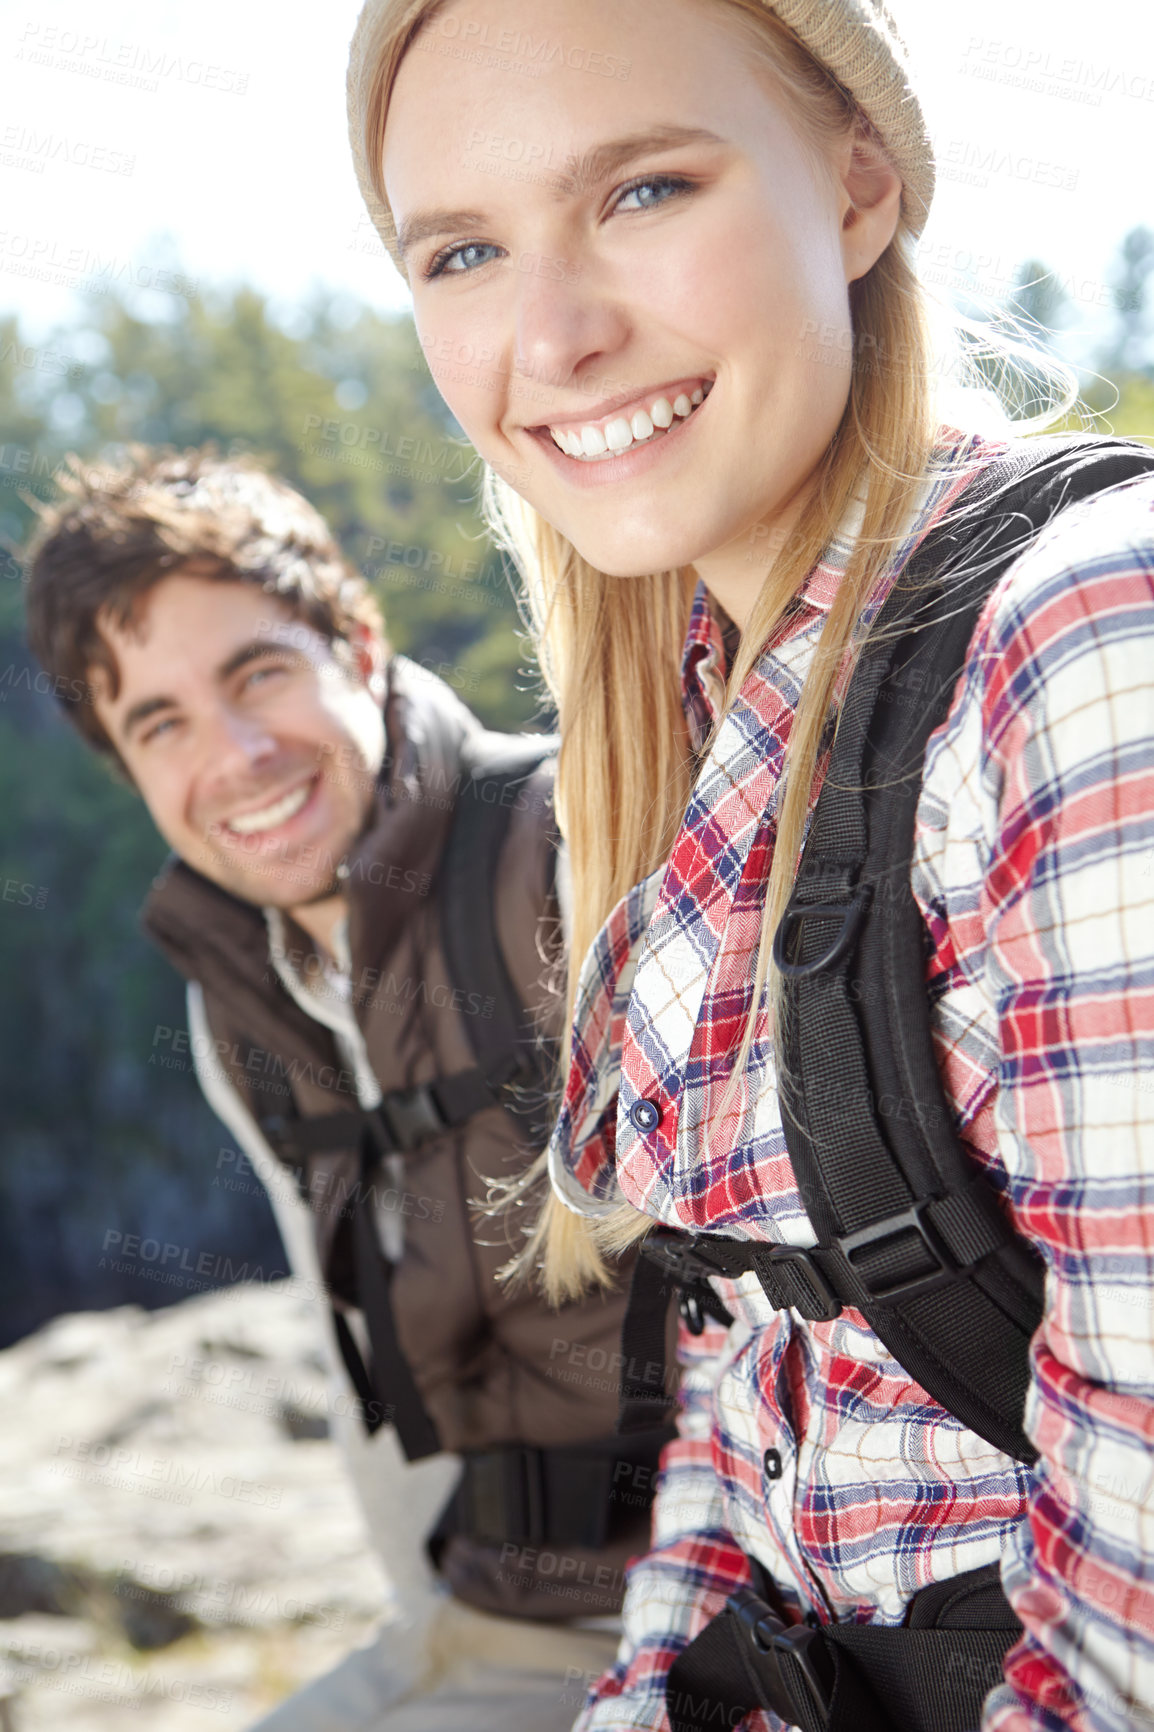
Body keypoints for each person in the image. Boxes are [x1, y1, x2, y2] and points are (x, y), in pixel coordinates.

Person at [346, 1, 1154, 1729]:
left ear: (857, 186)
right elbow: (767, 1370)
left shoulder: (1081, 635)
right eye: (464, 250)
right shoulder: (703, 731)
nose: (549, 334)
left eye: (639, 192)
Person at [23, 448, 672, 1732]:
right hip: (477, 1621)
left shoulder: (580, 845)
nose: (240, 755)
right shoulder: (241, 1004)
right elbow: (353, 1354)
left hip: (711, 1615)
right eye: (160, 723)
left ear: (359, 646)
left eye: (257, 671)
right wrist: (418, 1626)